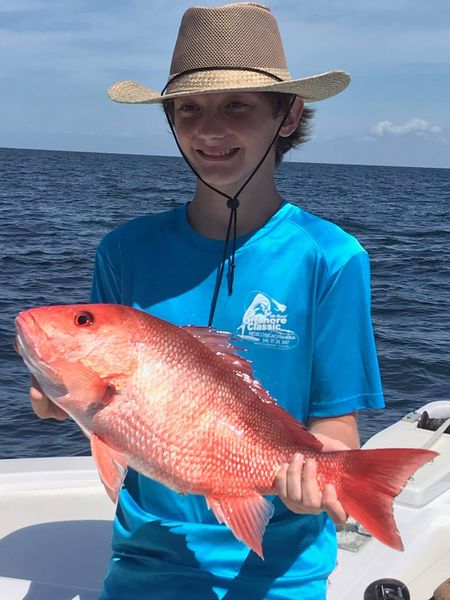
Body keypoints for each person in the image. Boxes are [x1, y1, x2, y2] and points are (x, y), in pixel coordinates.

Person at [30, 3, 384, 598]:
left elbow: (337, 426)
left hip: (283, 568)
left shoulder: (331, 256)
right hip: (147, 558)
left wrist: (323, 473)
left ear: (289, 115)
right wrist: (52, 399)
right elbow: (102, 408)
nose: (209, 130)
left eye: (237, 105)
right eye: (188, 109)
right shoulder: (125, 250)